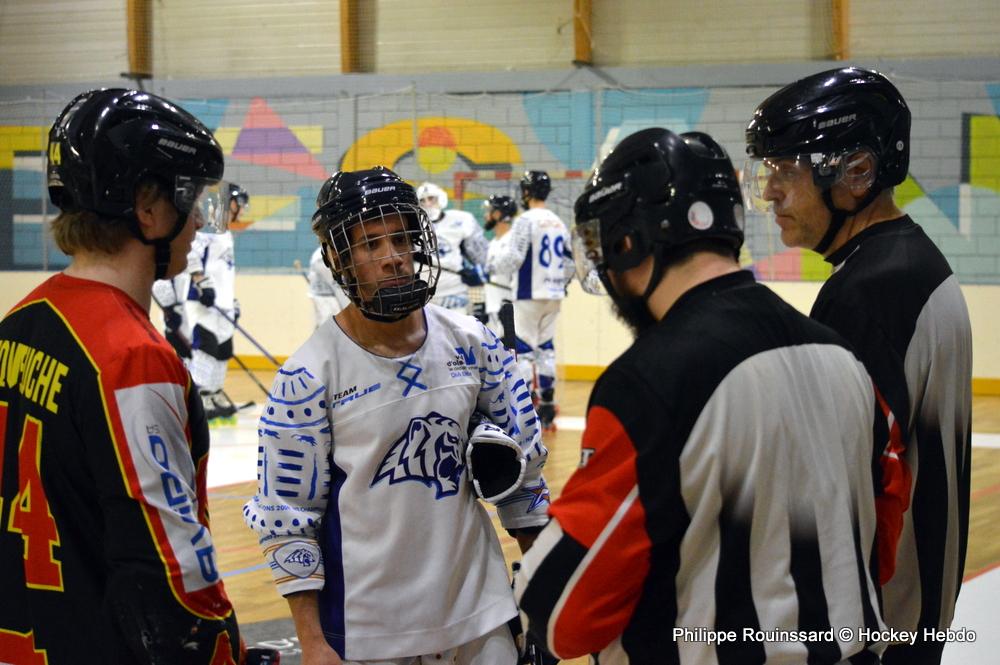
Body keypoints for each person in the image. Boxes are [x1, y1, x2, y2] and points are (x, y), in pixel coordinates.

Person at [514, 128, 887, 663]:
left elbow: (563, 618)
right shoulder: (844, 356)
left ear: (627, 241)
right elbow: (881, 538)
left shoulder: (647, 382)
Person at [244, 166, 551, 664]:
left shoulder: (474, 343)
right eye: (370, 245)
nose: (392, 259)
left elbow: (525, 479)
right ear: (340, 260)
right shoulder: (307, 376)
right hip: (369, 630)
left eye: (401, 238)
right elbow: (288, 518)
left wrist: (544, 603)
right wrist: (313, 642)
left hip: (481, 612)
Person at [0, 89, 244, 662]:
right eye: (190, 199)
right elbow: (169, 565)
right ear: (149, 207)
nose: (195, 225)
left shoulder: (17, 324)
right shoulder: (132, 356)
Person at [744, 66, 972, 665]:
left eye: (786, 172)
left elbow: (847, 481)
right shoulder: (910, 259)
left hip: (877, 621)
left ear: (858, 173)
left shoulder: (870, 290)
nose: (770, 193)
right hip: (910, 612)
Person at [486, 171, 575, 432]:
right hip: (554, 294)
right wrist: (561, 282)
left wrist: (489, 267)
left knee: (523, 351)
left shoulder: (525, 220)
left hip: (527, 294)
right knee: (546, 348)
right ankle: (548, 403)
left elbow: (513, 257)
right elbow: (571, 260)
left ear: (526, 192)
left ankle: (524, 406)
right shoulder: (558, 221)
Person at [186, 182, 250, 421]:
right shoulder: (208, 229)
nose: (242, 210)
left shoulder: (225, 233)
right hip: (204, 301)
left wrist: (231, 301)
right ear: (230, 203)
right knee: (206, 348)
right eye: (240, 204)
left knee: (223, 350)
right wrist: (201, 282)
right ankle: (200, 395)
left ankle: (214, 392)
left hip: (222, 304)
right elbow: (190, 254)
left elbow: (224, 271)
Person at [417, 181, 490, 313]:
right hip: (423, 295)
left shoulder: (462, 220)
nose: (428, 203)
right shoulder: (410, 226)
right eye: (423, 200)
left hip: (455, 293)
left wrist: (479, 274)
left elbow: (481, 257)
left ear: (441, 198)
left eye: (431, 198)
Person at [482, 194, 517, 337]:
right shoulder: (492, 244)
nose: (485, 215)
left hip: (509, 310)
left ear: (497, 214)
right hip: (494, 309)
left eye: (488, 211)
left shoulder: (513, 241)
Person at [306, 244, 351, 328]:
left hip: (328, 298)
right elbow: (337, 286)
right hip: (326, 299)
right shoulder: (321, 258)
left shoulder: (321, 255)